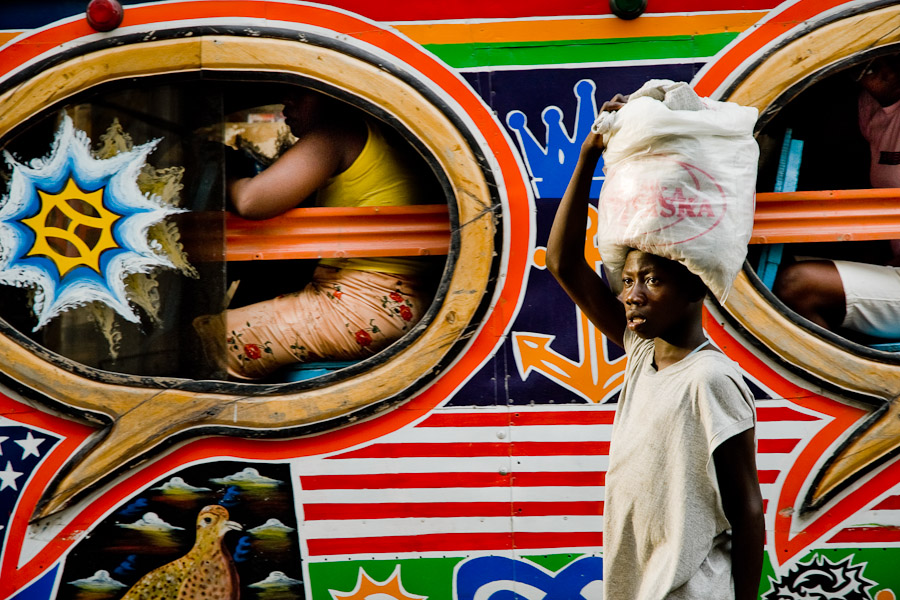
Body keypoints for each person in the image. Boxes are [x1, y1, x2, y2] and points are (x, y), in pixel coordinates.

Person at [545, 95, 764, 600]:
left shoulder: (710, 379)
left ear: (694, 287)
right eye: (627, 280)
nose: (631, 295)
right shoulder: (641, 355)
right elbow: (562, 262)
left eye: (652, 281)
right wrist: (588, 156)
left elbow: (747, 508)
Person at [195, 89, 433, 380]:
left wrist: (225, 166)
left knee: (209, 342)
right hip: (394, 302)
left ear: (337, 96)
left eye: (303, 93)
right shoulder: (379, 138)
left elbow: (251, 201)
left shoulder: (337, 131)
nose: (288, 100)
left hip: (364, 305)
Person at [773, 55, 900, 339]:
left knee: (798, 284)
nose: (886, 68)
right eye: (868, 66)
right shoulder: (871, 109)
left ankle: (856, 380)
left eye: (893, 56)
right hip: (893, 266)